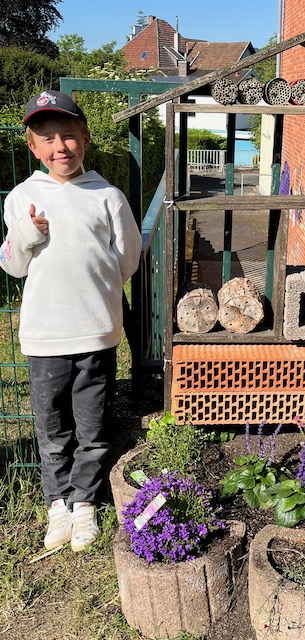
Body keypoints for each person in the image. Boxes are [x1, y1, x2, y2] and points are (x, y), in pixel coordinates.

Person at [0, 90, 142, 552]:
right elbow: (12, 264)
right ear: (32, 147)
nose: (60, 146)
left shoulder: (108, 196)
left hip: (96, 332)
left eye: (68, 135)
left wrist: (96, 295)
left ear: (85, 138)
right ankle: (57, 505)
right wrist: (27, 234)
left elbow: (127, 258)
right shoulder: (23, 198)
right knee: (52, 429)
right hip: (45, 337)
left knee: (92, 426)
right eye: (48, 139)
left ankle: (84, 503)